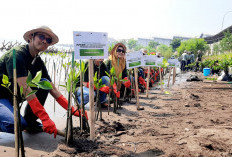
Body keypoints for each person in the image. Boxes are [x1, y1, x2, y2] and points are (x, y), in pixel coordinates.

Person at [0, 26, 87, 138]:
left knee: (43, 83)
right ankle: (25, 124)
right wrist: (45, 118)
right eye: (41, 36)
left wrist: (74, 111)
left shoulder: (38, 61)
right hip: (1, 97)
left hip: (9, 98)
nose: (45, 41)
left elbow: (53, 89)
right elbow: (26, 89)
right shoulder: (17, 55)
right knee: (16, 125)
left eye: (49, 40)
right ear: (31, 37)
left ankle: (31, 122)